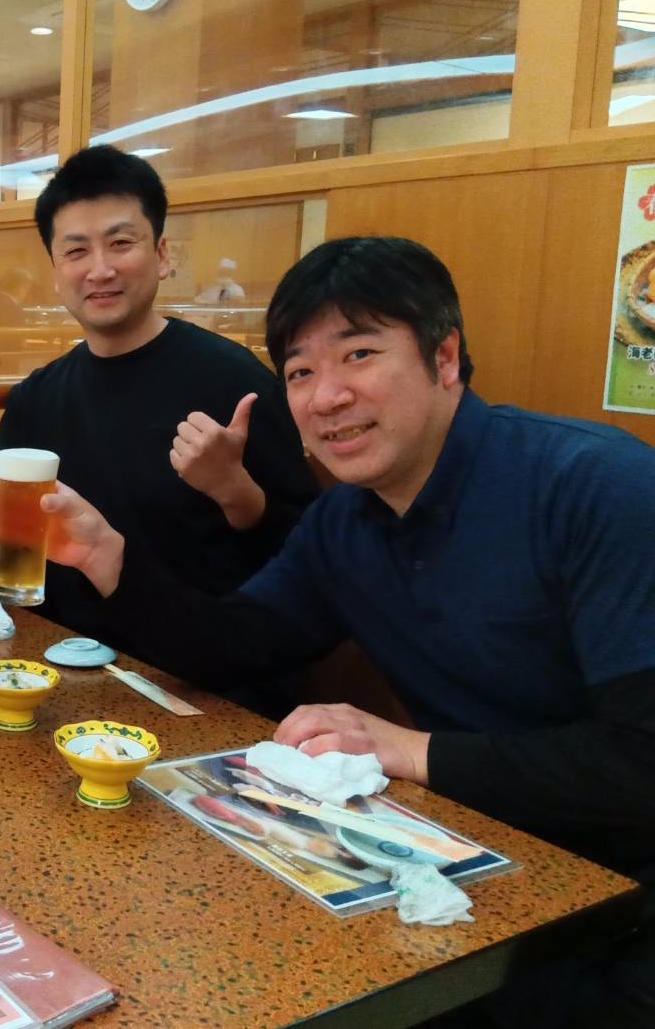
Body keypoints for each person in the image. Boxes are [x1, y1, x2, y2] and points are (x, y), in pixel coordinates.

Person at [41, 236, 655, 1025]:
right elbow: (238, 643)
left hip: (623, 910)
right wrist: (110, 561)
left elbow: (642, 764)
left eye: (359, 354)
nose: (326, 397)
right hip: (488, 876)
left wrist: (409, 749)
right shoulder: (347, 522)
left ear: (444, 358)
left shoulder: (596, 486)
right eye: (300, 372)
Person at [0, 145, 317, 688]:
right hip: (60, 674)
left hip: (200, 680)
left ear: (162, 255)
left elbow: (304, 558)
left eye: (121, 243)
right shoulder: (38, 397)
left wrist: (236, 491)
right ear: (56, 271)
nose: (100, 269)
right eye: (76, 251)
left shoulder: (235, 384)